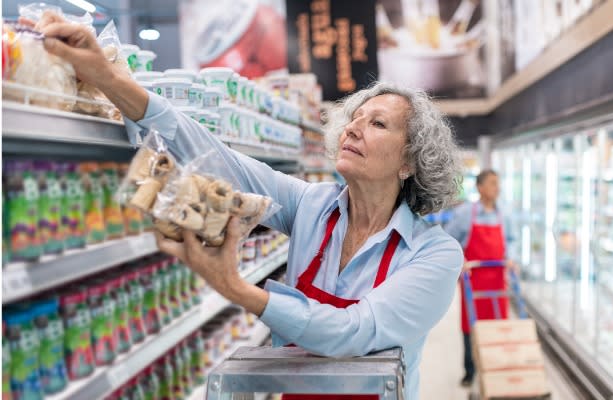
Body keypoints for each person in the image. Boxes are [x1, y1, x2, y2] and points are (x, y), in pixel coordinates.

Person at [33, 14, 465, 400]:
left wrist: (238, 289)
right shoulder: (311, 206)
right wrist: (108, 79)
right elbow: (218, 157)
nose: (353, 127)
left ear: (410, 160)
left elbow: (354, 333)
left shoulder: (434, 254)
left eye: (377, 123)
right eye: (354, 117)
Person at [443, 169, 513, 387]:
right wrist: (460, 261)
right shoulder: (466, 213)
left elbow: (512, 240)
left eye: (498, 183)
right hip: (474, 280)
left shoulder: (504, 214)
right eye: (493, 183)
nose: (497, 188)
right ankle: (470, 370)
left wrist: (512, 259)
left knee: (497, 324)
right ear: (480, 188)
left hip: (497, 279)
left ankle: (495, 367)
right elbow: (447, 239)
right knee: (470, 326)